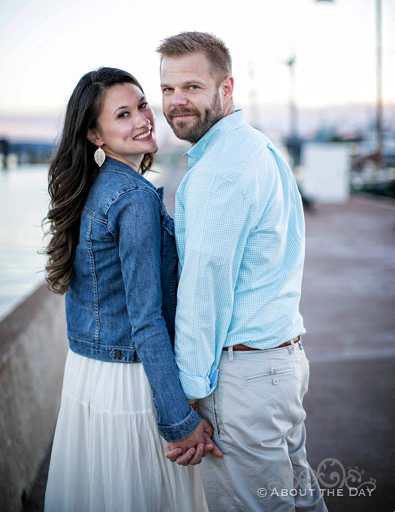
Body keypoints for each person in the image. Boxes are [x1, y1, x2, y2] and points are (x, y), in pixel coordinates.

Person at [157, 32, 328, 512]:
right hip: (281, 364)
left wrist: (187, 398)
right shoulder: (258, 148)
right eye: (168, 89)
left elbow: (203, 289)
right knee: (299, 502)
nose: (176, 102)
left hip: (245, 379)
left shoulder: (220, 171)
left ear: (226, 88)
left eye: (191, 86)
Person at [43, 67, 220, 512]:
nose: (143, 119)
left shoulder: (92, 189)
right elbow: (146, 321)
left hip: (89, 376)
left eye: (142, 105)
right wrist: (179, 420)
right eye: (123, 114)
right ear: (95, 135)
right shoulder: (135, 198)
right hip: (130, 385)